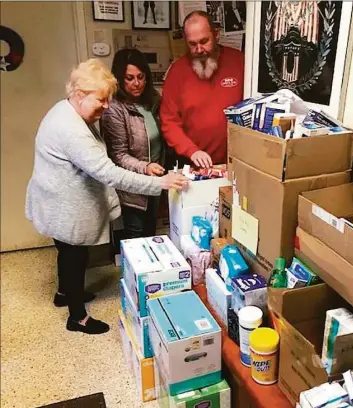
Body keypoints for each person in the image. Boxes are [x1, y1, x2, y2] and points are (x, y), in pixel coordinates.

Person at [25, 58, 188, 335]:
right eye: (101, 100)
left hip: (54, 198)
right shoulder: (70, 129)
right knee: (75, 256)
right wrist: (158, 183)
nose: (107, 106)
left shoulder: (66, 110)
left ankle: (65, 293)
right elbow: (110, 173)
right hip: (63, 205)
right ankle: (77, 318)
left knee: (66, 251)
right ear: (79, 94)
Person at [160, 10, 244, 169]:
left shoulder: (239, 61)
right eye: (192, 44)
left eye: (204, 41)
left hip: (237, 162)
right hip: (193, 163)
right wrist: (191, 151)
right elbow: (169, 121)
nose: (199, 49)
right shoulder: (177, 72)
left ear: (216, 34)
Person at [101, 49, 167, 240]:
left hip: (156, 180)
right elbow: (118, 155)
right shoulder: (114, 109)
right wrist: (145, 168)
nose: (136, 83)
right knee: (135, 238)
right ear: (119, 79)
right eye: (129, 78)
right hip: (133, 188)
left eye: (141, 77)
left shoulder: (153, 102)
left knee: (151, 235)